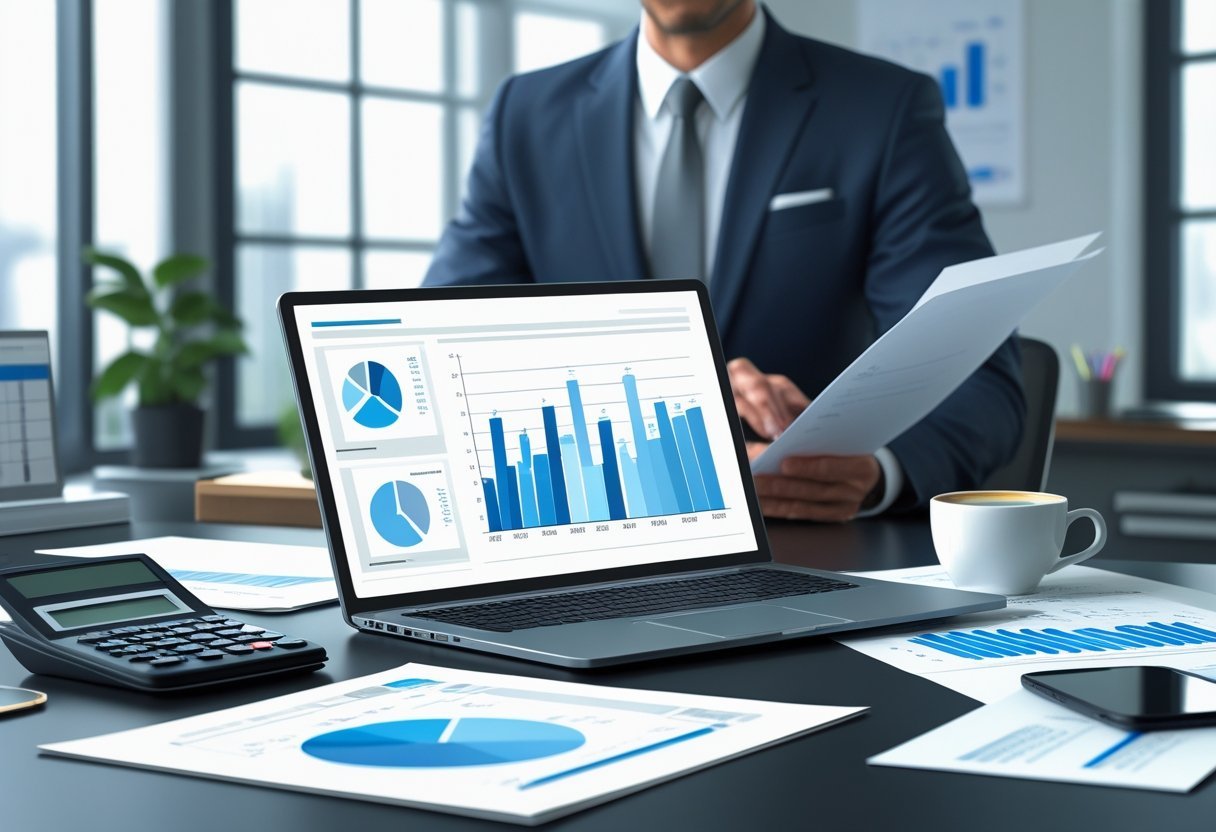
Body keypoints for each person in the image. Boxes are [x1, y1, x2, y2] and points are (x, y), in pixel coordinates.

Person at [423, 0, 1025, 522]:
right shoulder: (524, 116)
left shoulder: (881, 110)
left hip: (809, 553)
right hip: (583, 537)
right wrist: (675, 386)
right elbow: (444, 352)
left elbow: (977, 371)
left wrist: (874, 472)